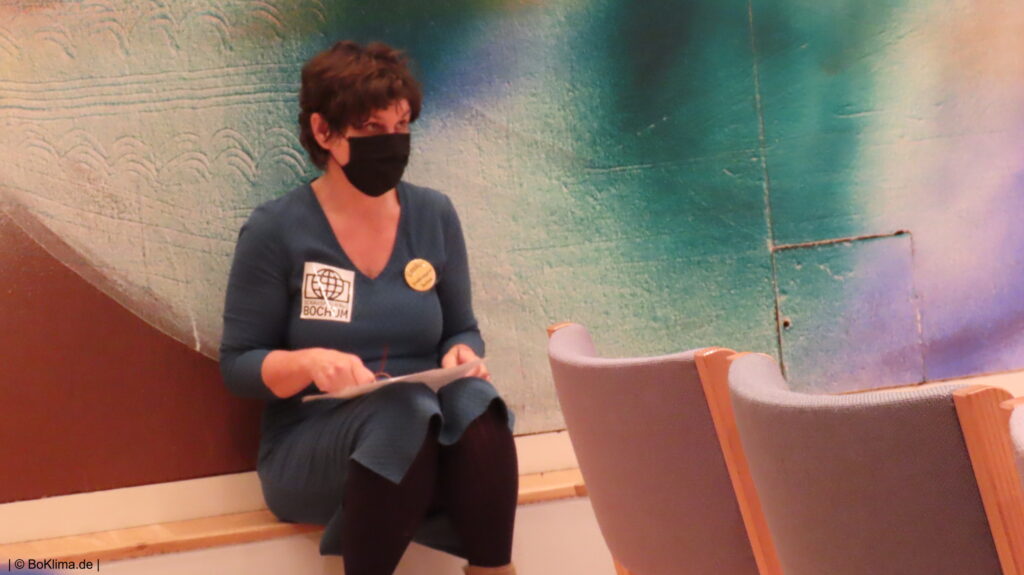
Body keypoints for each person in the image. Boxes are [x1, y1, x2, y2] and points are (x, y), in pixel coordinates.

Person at [219, 40, 518, 575]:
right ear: (324, 132)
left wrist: (462, 353)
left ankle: (494, 571)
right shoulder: (276, 229)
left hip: (426, 435)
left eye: (401, 127)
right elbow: (239, 365)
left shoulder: (434, 214)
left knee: (477, 401)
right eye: (373, 129)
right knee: (404, 411)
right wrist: (309, 362)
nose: (393, 143)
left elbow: (462, 329)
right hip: (314, 443)